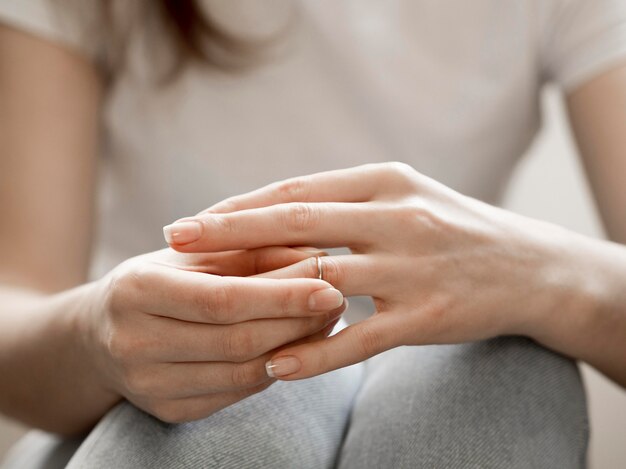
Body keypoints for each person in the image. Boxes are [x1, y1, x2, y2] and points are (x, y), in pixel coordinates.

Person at [0, 0, 624, 467]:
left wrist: (544, 275)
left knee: (499, 366)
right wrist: (99, 334)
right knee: (248, 398)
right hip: (129, 406)